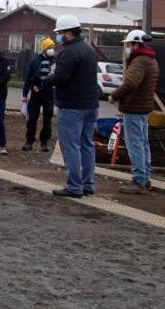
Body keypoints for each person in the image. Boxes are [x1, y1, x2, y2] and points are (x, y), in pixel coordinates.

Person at [47, 14, 99, 198]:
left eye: (60, 33)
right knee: (86, 144)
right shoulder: (89, 49)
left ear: (68, 33)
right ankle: (88, 184)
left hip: (72, 106)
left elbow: (61, 77)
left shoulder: (68, 52)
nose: (58, 37)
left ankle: (74, 186)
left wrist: (50, 77)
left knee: (71, 146)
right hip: (91, 104)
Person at [109, 29, 159, 195]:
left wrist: (114, 95)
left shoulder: (138, 61)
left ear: (136, 44)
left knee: (135, 144)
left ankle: (139, 180)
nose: (127, 48)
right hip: (144, 108)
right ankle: (145, 178)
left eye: (129, 45)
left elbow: (131, 83)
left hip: (134, 109)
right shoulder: (151, 59)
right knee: (143, 144)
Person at [21, 38, 56, 152]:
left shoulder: (55, 61)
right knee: (32, 118)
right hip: (36, 93)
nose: (52, 50)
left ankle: (44, 143)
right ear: (44, 49)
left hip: (49, 94)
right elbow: (28, 78)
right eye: (50, 47)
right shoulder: (35, 61)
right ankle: (29, 142)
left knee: (47, 120)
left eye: (53, 47)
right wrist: (25, 94)